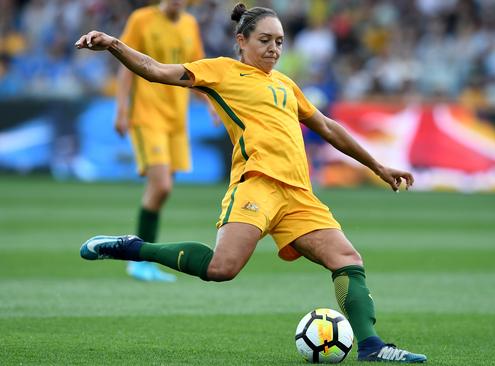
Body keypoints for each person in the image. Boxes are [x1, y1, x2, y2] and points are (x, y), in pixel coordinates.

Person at [76, 3, 427, 363]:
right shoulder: (222, 71)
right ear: (241, 40)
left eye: (279, 41)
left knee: (347, 258)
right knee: (221, 269)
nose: (274, 48)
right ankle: (134, 248)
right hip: (257, 183)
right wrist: (114, 45)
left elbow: (327, 127)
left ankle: (371, 346)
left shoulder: (286, 84)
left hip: (298, 195)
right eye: (265, 40)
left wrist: (378, 166)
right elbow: (155, 70)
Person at [114, 0, 207, 281]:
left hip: (177, 120)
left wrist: (212, 106)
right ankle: (138, 259)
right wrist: (121, 109)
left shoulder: (190, 24)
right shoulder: (141, 19)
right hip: (147, 115)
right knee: (161, 184)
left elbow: (198, 73)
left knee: (164, 190)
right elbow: (126, 65)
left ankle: (143, 259)